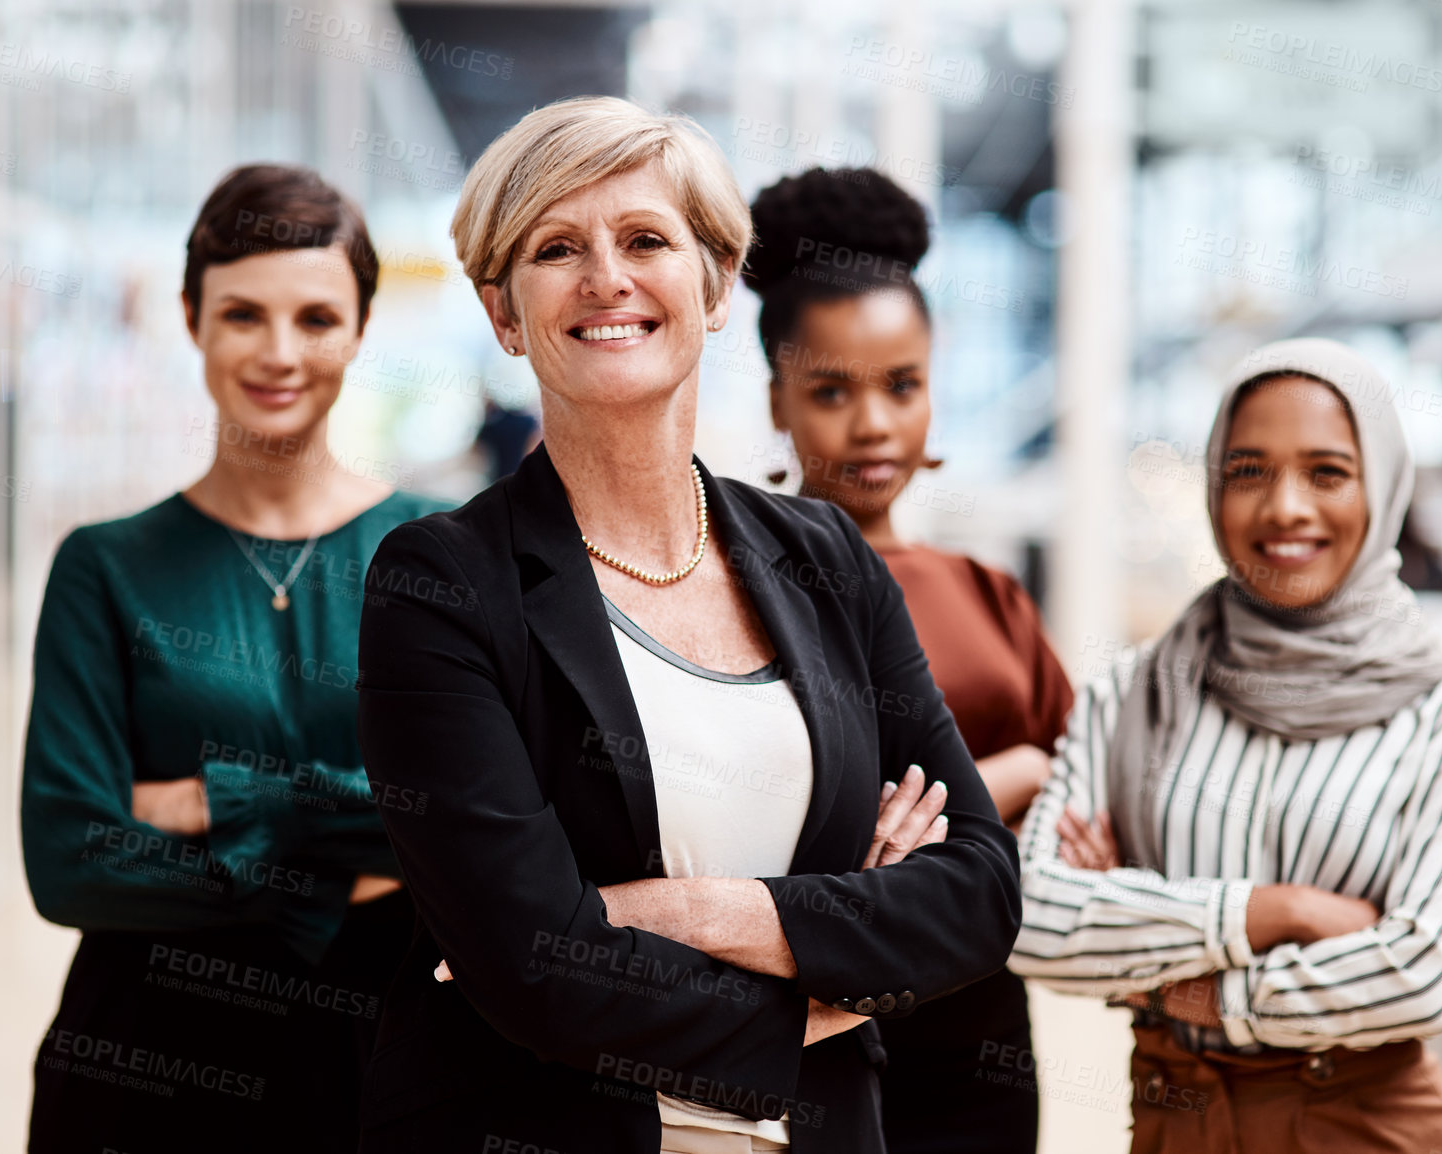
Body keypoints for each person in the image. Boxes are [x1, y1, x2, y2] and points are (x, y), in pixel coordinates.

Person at [352, 96, 1020, 1154]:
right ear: (503, 314)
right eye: (556, 247)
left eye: (647, 239)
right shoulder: (440, 585)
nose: (606, 277)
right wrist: (842, 964)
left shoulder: (827, 560)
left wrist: (676, 910)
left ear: (714, 285)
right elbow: (536, 970)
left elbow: (979, 889)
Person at [20, 164, 449, 1153]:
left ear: (361, 327)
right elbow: (69, 860)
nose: (280, 352)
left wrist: (227, 799)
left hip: (377, 1063)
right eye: (243, 313)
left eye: (315, 317)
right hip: (139, 1063)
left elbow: (468, 822)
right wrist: (349, 856)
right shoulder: (107, 566)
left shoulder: (438, 555)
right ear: (191, 317)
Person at [1010, 339, 1442, 1153]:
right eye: (1247, 470)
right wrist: (1283, 912)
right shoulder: (1130, 695)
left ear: (1381, 485)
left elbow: (1422, 977)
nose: (1284, 506)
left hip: (1368, 1126)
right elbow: (1030, 918)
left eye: (1325, 472)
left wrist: (1178, 980)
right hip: (1174, 1121)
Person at [744, 165, 1071, 1154]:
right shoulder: (739, 587)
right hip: (809, 1008)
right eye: (831, 390)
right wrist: (1012, 778)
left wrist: (1021, 774)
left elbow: (1084, 769)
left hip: (979, 1019)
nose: (874, 422)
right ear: (777, 400)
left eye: (903, 384)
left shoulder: (986, 591)